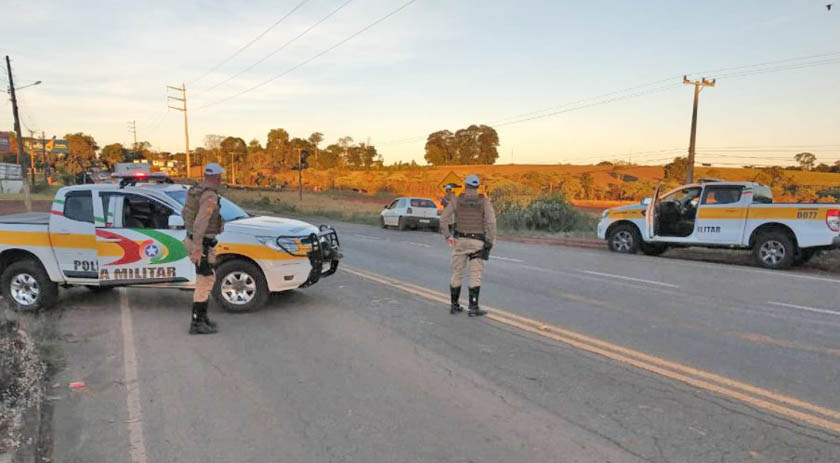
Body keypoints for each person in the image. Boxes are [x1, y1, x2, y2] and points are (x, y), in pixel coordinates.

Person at [439, 174, 497, 317]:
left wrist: (447, 236)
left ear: (465, 185)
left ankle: (454, 305)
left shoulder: (457, 200)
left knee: (457, 273)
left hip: (460, 241)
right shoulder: (484, 201)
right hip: (478, 242)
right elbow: (491, 223)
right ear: (477, 187)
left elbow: (443, 219)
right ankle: (473, 307)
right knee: (475, 275)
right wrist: (490, 242)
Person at [182, 163, 226, 335]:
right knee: (204, 281)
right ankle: (197, 322)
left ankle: (203, 318)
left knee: (206, 279)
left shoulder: (196, 191)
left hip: (193, 240)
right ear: (217, 177)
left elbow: (186, 214)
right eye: (220, 177)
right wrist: (198, 248)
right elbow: (201, 223)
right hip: (201, 244)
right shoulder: (209, 195)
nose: (221, 180)